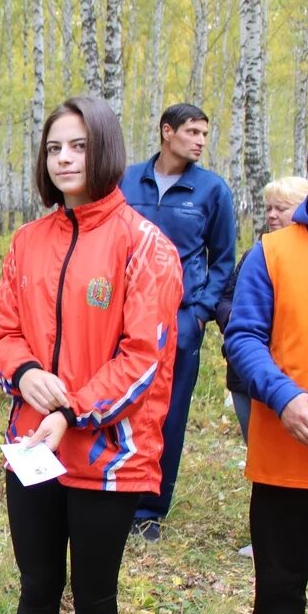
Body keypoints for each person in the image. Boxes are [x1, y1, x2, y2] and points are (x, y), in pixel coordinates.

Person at [0, 97, 182, 614]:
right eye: (53, 148)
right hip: (31, 450)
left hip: (110, 456)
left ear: (104, 149)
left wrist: (69, 411)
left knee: (94, 594)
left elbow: (143, 357)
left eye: (77, 145)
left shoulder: (144, 245)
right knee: (37, 585)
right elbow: (1, 332)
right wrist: (23, 372)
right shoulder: (27, 240)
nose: (64, 158)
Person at [225, 140, 308, 614]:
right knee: (281, 569)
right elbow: (243, 337)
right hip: (288, 448)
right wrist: (285, 398)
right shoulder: (272, 253)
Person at [120, 103, 236, 541]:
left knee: (167, 413)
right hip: (123, 316)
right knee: (120, 404)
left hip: (180, 319)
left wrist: (200, 312)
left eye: (204, 133)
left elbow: (222, 259)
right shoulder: (127, 180)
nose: (200, 140)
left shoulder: (212, 191)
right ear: (167, 132)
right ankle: (116, 492)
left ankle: (150, 509)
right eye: (192, 131)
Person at [216, 176, 308, 440]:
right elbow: (224, 299)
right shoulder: (256, 255)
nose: (271, 215)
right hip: (245, 375)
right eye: (268, 208)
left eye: (280, 208)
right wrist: (235, 318)